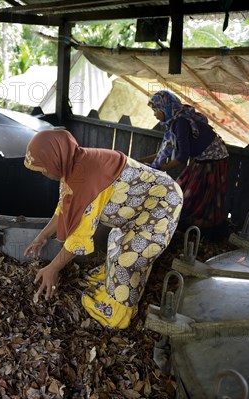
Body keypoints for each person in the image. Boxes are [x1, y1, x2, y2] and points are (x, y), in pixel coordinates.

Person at [23, 130, 183, 329]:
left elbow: (80, 237)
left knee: (129, 258)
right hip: (138, 209)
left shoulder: (87, 177)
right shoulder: (73, 164)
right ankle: (111, 281)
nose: (44, 174)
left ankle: (117, 314)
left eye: (44, 169)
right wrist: (42, 236)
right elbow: (64, 208)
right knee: (117, 241)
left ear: (56, 157)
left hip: (162, 204)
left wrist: (53, 268)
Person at [139, 90, 229, 238]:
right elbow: (164, 151)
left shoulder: (180, 123)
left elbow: (182, 156)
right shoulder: (173, 122)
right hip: (202, 157)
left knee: (195, 193)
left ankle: (198, 230)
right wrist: (140, 161)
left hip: (214, 158)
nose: (154, 114)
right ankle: (185, 226)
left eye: (156, 110)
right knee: (185, 187)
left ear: (165, 108)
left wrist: (163, 169)